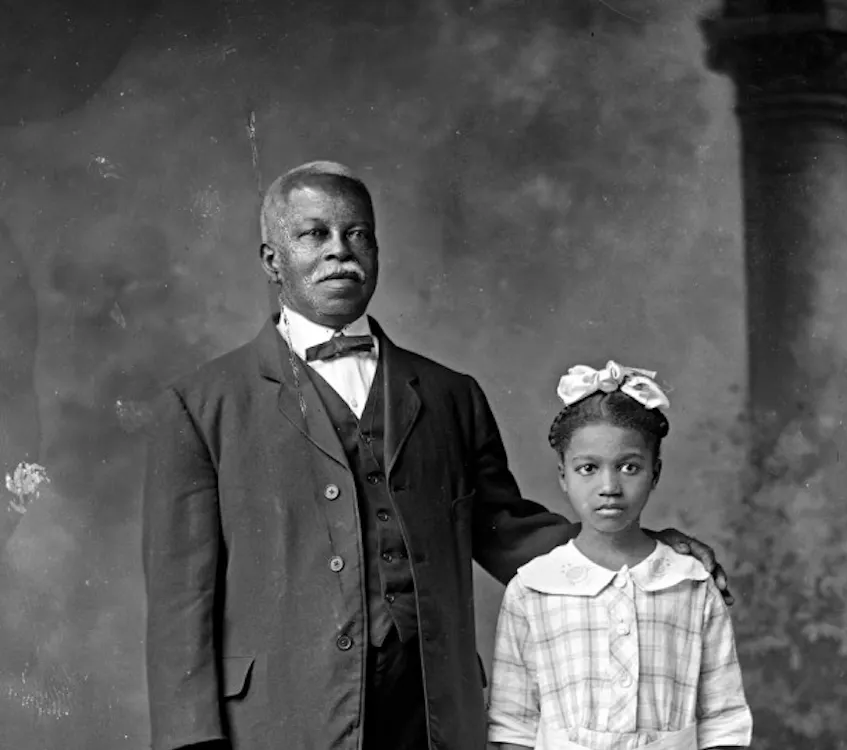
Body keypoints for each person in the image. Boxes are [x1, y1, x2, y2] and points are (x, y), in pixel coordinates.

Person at [142, 161, 732, 750]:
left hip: (429, 711)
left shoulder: (451, 395)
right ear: (273, 260)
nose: (340, 252)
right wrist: (192, 742)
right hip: (279, 717)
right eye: (314, 234)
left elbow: (506, 530)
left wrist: (633, 549)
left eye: (358, 235)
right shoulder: (202, 405)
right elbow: (181, 599)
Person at [488, 361, 752, 750]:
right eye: (588, 468)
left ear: (655, 472)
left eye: (629, 467)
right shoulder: (531, 589)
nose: (609, 486)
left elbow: (723, 720)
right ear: (563, 475)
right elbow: (514, 724)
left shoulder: (691, 583)